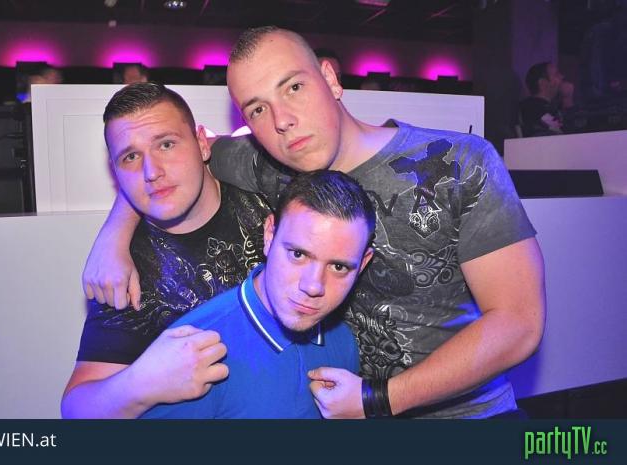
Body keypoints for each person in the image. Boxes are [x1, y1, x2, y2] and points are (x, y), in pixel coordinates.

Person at [84, 26, 546, 419]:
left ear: (330, 78)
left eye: (293, 88)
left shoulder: (458, 163)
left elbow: (518, 322)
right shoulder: (264, 163)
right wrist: (115, 234)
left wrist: (378, 400)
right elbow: (164, 164)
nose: (282, 121)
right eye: (257, 109)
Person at [61, 82, 271, 418]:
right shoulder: (128, 270)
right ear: (116, 172)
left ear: (202, 143)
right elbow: (77, 409)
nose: (152, 172)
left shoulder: (266, 197)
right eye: (131, 157)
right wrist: (144, 381)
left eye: (166, 144)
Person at [142, 170, 372, 418]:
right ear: (269, 235)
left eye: (338, 267)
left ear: (363, 264)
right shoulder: (193, 355)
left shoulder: (342, 339)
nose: (313, 286)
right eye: (298, 254)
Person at [519, 62, 574, 137]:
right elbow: (564, 132)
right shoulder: (534, 109)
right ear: (543, 83)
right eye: (556, 74)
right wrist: (567, 99)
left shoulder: (543, 107)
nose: (562, 77)